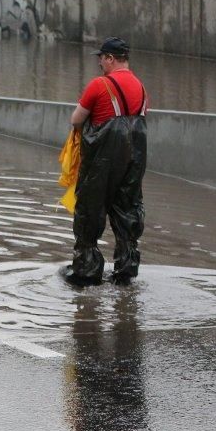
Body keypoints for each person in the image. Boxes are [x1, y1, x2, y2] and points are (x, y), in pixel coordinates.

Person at [63, 38, 148, 286]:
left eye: (102, 57)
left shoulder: (99, 85)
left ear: (111, 58)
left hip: (103, 161)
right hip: (134, 159)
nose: (100, 62)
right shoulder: (142, 88)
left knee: (90, 209)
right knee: (128, 209)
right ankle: (125, 271)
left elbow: (76, 119)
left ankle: (86, 272)